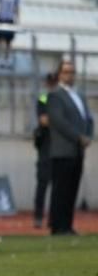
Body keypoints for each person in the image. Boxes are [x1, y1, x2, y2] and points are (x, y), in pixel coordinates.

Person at [47, 60, 93, 236]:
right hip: (62, 150)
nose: (69, 75)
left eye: (72, 72)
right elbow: (60, 122)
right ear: (59, 74)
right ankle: (57, 226)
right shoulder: (55, 95)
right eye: (66, 72)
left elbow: (88, 118)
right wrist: (78, 137)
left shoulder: (79, 95)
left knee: (72, 189)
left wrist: (88, 135)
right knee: (61, 190)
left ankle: (67, 225)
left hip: (77, 150)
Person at [33, 73, 58, 228]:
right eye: (50, 82)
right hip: (46, 145)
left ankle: (55, 218)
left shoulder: (63, 99)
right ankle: (38, 216)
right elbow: (43, 119)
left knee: (59, 185)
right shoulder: (44, 98)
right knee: (43, 182)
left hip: (59, 146)